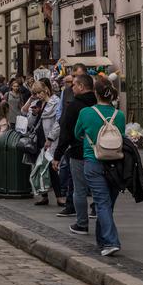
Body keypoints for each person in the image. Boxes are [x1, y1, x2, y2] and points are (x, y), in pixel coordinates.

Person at [74, 77, 126, 256]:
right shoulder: (119, 115)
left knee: (101, 202)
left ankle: (111, 242)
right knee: (107, 204)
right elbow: (122, 137)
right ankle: (102, 240)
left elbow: (77, 133)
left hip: (93, 160)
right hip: (115, 164)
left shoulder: (86, 113)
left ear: (95, 93)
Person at [53, 73, 96, 232]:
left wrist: (57, 155)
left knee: (79, 189)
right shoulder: (100, 103)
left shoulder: (74, 106)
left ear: (82, 87)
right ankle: (102, 219)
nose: (72, 87)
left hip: (79, 152)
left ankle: (82, 223)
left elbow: (66, 133)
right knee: (99, 188)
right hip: (100, 152)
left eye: (75, 85)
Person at [22, 80, 63, 207]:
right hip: (37, 138)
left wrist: (50, 138)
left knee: (52, 167)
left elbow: (58, 122)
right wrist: (34, 114)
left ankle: (59, 196)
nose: (38, 95)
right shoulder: (36, 103)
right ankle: (43, 195)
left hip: (49, 138)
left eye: (39, 92)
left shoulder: (55, 102)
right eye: (35, 93)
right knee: (38, 166)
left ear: (45, 89)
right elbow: (28, 122)